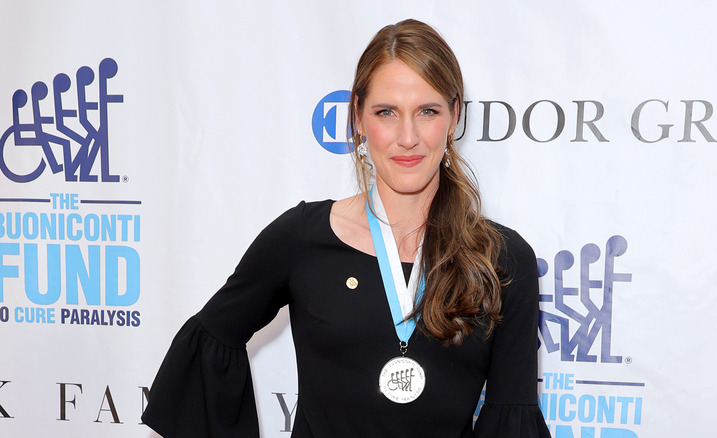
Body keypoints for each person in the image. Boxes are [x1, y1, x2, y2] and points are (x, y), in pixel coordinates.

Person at [142, 18, 551, 438]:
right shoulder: (301, 239)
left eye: (427, 111)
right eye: (386, 112)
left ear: (454, 116)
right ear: (358, 118)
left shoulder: (502, 259)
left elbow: (511, 421)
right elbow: (209, 347)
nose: (407, 137)